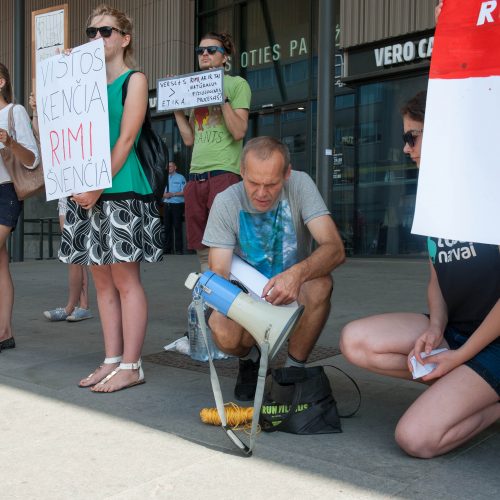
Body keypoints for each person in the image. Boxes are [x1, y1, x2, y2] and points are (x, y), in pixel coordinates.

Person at [339, 91, 500, 458]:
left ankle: (481, 394)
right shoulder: (433, 196)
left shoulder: (491, 190)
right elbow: (437, 278)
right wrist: (435, 328)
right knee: (356, 341)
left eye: (413, 136)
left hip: (494, 339)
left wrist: (460, 358)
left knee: (416, 438)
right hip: (457, 330)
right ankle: (464, 387)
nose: (406, 148)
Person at [59, 4, 163, 392]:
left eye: (105, 31)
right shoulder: (80, 82)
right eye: (91, 32)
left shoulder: (133, 79)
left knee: (125, 280)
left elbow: (126, 138)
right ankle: (112, 359)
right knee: (101, 282)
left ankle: (132, 364)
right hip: (84, 191)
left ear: (124, 38)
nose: (97, 38)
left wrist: (98, 186)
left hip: (120, 188)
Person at [203, 136, 345, 400]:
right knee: (221, 328)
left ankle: (292, 371)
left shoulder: (300, 184)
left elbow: (334, 248)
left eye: (271, 184)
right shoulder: (227, 201)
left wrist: (297, 274)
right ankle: (251, 359)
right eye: (253, 182)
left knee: (321, 284)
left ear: (287, 174)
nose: (261, 193)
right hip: (246, 293)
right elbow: (219, 272)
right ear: (242, 172)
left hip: (293, 290)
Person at [174, 31, 251, 271]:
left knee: (227, 242)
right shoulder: (193, 88)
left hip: (224, 172)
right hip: (196, 174)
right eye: (200, 51)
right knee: (201, 245)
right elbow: (189, 139)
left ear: (225, 57)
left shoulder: (237, 84)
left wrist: (223, 99)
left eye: (211, 50)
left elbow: (239, 131)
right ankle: (211, 300)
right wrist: (175, 107)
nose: (204, 54)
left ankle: (233, 299)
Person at [28, 93, 93, 323]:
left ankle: (72, 306)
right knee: (73, 251)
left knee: (76, 252)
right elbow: (40, 135)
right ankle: (80, 304)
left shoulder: (83, 115)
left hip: (84, 186)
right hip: (65, 190)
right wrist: (36, 110)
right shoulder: (59, 119)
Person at [0, 63, 40, 352]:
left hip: (6, 193)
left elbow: (32, 160)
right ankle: (5, 332)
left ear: (1, 82)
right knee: (1, 264)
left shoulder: (14, 112)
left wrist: (10, 142)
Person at [162, 161, 186, 255]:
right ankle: (167, 249)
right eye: (168, 167)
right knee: (167, 227)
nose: (169, 168)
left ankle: (179, 249)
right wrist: (164, 195)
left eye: (171, 166)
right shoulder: (164, 178)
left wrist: (173, 194)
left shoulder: (181, 178)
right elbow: (160, 192)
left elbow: (185, 192)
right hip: (167, 205)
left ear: (175, 167)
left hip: (177, 205)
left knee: (177, 227)